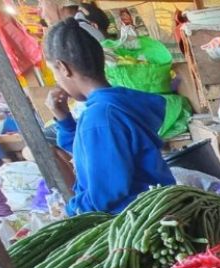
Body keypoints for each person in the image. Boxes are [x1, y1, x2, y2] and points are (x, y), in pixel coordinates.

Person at [43, 19, 174, 215]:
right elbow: (90, 155)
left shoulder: (100, 118)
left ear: (64, 68)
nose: (57, 81)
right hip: (156, 209)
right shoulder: (117, 104)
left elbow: (105, 192)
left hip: (135, 221)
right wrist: (66, 122)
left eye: (54, 72)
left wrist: (71, 211)